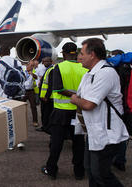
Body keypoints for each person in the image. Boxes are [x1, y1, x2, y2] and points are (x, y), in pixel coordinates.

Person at [71, 38, 129, 187]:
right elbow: (83, 98)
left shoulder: (106, 73)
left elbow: (88, 104)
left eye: (82, 53)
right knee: (91, 171)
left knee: (101, 174)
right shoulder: (88, 74)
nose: (79, 57)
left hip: (107, 134)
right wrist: (78, 99)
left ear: (93, 54)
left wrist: (74, 99)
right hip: (93, 132)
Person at [41, 42, 87, 180]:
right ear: (76, 52)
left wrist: (72, 96)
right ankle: (79, 172)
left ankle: (51, 170)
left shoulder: (58, 67)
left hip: (60, 112)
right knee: (79, 143)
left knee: (56, 143)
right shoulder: (84, 68)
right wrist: (78, 97)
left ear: (63, 53)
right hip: (78, 112)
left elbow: (58, 89)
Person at [36, 57, 54, 132]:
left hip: (47, 97)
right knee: (44, 113)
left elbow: (51, 85)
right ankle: (45, 126)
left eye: (46, 61)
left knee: (47, 113)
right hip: (44, 96)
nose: (44, 63)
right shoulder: (47, 69)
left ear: (51, 62)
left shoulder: (52, 70)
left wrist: (47, 96)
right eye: (43, 61)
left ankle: (46, 127)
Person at [22, 60, 39, 127]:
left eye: (33, 66)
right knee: (21, 106)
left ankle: (35, 121)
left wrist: (32, 73)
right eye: (31, 65)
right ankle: (22, 120)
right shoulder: (22, 70)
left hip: (31, 91)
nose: (32, 67)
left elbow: (36, 77)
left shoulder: (34, 71)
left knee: (33, 106)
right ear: (27, 65)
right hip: (23, 91)